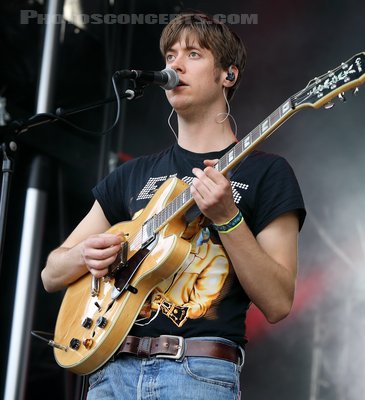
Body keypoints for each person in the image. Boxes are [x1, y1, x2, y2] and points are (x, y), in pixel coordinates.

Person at [41, 12, 305, 399]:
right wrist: (85, 254)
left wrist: (228, 219)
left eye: (194, 54)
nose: (174, 65)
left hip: (197, 372)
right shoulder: (134, 175)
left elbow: (278, 302)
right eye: (170, 56)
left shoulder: (268, 172)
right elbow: (51, 273)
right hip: (110, 372)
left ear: (228, 75)